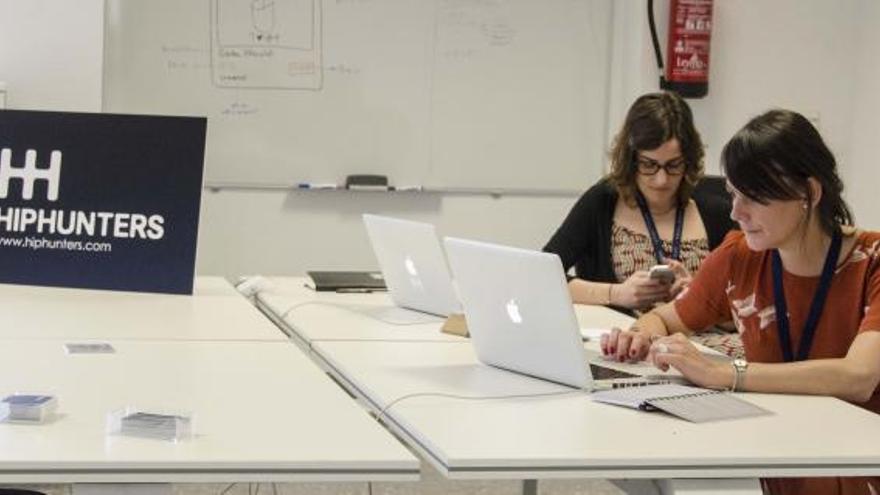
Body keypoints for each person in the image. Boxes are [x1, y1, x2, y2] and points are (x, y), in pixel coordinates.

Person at [602, 109, 880, 495]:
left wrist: (725, 374)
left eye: (752, 198)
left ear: (810, 194)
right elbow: (665, 319)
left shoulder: (873, 263)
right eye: (733, 194)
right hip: (770, 458)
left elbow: (859, 378)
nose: (736, 212)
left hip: (855, 463)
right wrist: (641, 335)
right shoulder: (739, 257)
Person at [544, 91, 735, 312]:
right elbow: (543, 276)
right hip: (621, 339)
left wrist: (698, 296)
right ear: (631, 159)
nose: (661, 180)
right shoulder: (602, 202)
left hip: (698, 341)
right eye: (648, 165)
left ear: (688, 161)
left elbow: (753, 300)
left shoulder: (718, 212)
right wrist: (616, 293)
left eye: (674, 165)